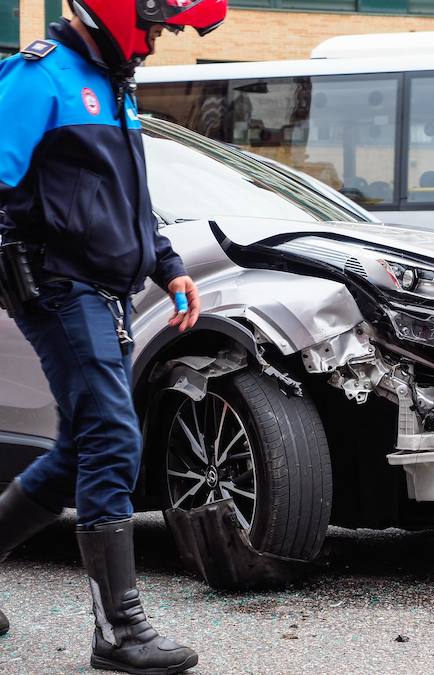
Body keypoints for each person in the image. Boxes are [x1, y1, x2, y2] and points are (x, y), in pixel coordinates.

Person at [0, 0, 225, 671]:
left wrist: (169, 265)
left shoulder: (113, 87)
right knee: (112, 437)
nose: (157, 43)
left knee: (80, 447)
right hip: (59, 288)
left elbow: (130, 197)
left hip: (109, 293)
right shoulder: (40, 78)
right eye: (157, 28)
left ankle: (117, 626)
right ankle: (119, 630)